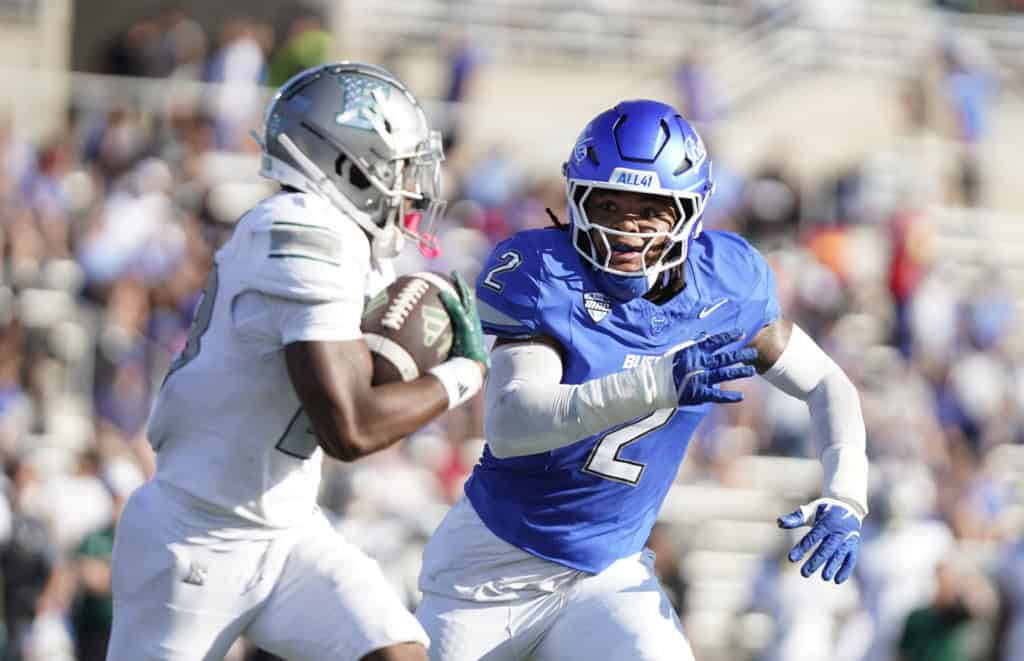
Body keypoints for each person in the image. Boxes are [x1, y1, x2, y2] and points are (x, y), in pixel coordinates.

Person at [415, 99, 869, 661]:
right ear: (577, 199)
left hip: (608, 574)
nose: (627, 229)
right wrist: (656, 381)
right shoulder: (542, 271)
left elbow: (827, 383)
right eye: (607, 204)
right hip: (491, 570)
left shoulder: (727, 283)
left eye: (651, 210)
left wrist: (847, 492)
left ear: (690, 213)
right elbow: (512, 423)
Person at [106, 62, 489, 661]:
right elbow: (350, 428)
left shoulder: (341, 238)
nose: (412, 189)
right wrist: (463, 376)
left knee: (398, 652)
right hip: (197, 537)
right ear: (348, 162)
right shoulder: (301, 230)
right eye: (399, 168)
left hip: (286, 531)